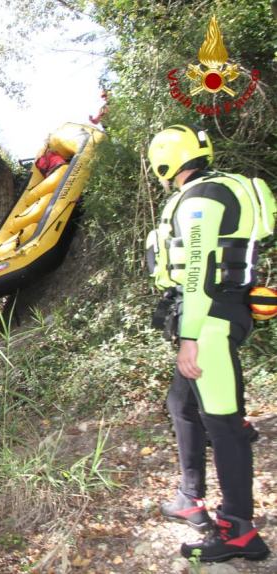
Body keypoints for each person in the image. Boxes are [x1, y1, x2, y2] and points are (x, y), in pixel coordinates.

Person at [145, 124, 272, 562]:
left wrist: (189, 338)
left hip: (210, 320)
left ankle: (239, 531)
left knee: (224, 424)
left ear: (166, 162)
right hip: (217, 313)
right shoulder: (219, 189)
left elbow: (199, 271)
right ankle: (190, 497)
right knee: (181, 404)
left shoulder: (199, 199)